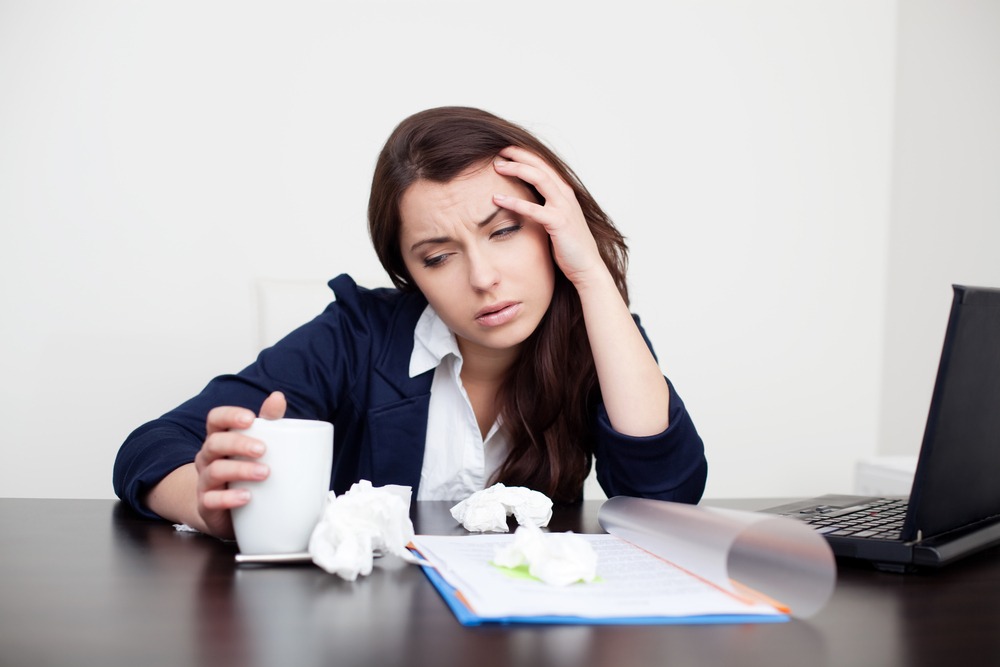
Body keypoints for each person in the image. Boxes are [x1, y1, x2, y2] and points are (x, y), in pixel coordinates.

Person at [113, 106, 707, 539]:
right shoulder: (357, 335)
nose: (482, 278)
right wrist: (206, 503)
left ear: (554, 227)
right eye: (438, 256)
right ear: (410, 275)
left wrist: (592, 275)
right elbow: (151, 447)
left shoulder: (598, 339)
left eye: (503, 232)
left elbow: (666, 500)